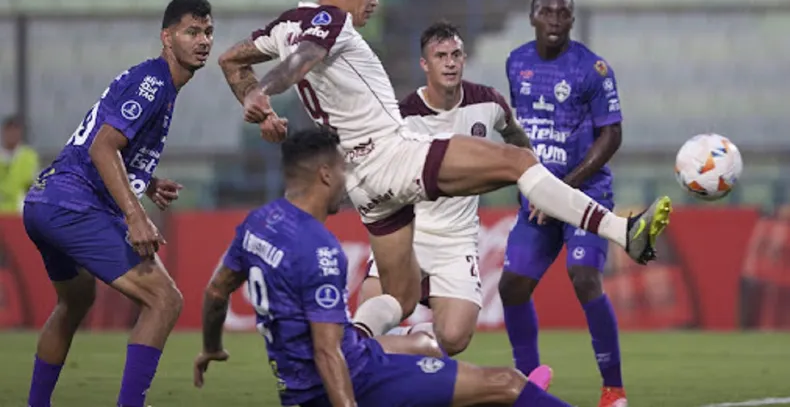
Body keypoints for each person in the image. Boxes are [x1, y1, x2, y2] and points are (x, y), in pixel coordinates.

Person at [216, 0, 672, 336]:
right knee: (516, 160)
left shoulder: (282, 28)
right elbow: (305, 56)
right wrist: (265, 92)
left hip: (359, 180)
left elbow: (231, 60)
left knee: (400, 295)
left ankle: (350, 348)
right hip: (391, 153)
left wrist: (255, 103)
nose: (373, 1)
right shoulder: (328, 18)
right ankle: (621, 231)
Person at [193, 127, 576, 407]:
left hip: (299, 386)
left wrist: (210, 347)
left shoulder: (258, 223)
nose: (347, 179)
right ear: (325, 174)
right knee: (506, 384)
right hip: (353, 382)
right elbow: (329, 353)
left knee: (426, 347)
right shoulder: (319, 248)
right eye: (342, 169)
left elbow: (215, 291)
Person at [22, 0, 214, 407]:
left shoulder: (158, 84)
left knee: (76, 300)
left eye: (208, 32)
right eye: (192, 31)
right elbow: (102, 148)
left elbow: (104, 144)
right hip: (72, 205)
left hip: (45, 201)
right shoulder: (154, 81)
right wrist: (136, 216)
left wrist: (146, 181)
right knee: (165, 300)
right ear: (167, 37)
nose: (203, 41)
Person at [358, 20, 532, 356]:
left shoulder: (488, 103)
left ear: (464, 58)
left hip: (457, 239)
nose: (450, 62)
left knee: (453, 338)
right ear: (425, 64)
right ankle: (362, 365)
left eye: (455, 55)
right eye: (440, 56)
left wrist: (530, 176)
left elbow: (515, 137)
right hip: (408, 233)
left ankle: (415, 342)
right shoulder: (402, 117)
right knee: (371, 318)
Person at [500, 0, 629, 407]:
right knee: (512, 287)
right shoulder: (516, 62)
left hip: (584, 193)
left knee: (583, 276)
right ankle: (529, 382)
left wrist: (562, 190)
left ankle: (613, 390)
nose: (555, 20)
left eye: (563, 13)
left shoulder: (592, 71)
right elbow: (520, 131)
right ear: (533, 16)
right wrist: (530, 182)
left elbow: (611, 135)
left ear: (572, 20)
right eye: (547, 12)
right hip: (536, 200)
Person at [0, 115, 40, 214]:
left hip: (19, 212)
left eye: (15, 131)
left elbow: (33, 184)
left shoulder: (29, 156)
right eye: (9, 130)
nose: (12, 134)